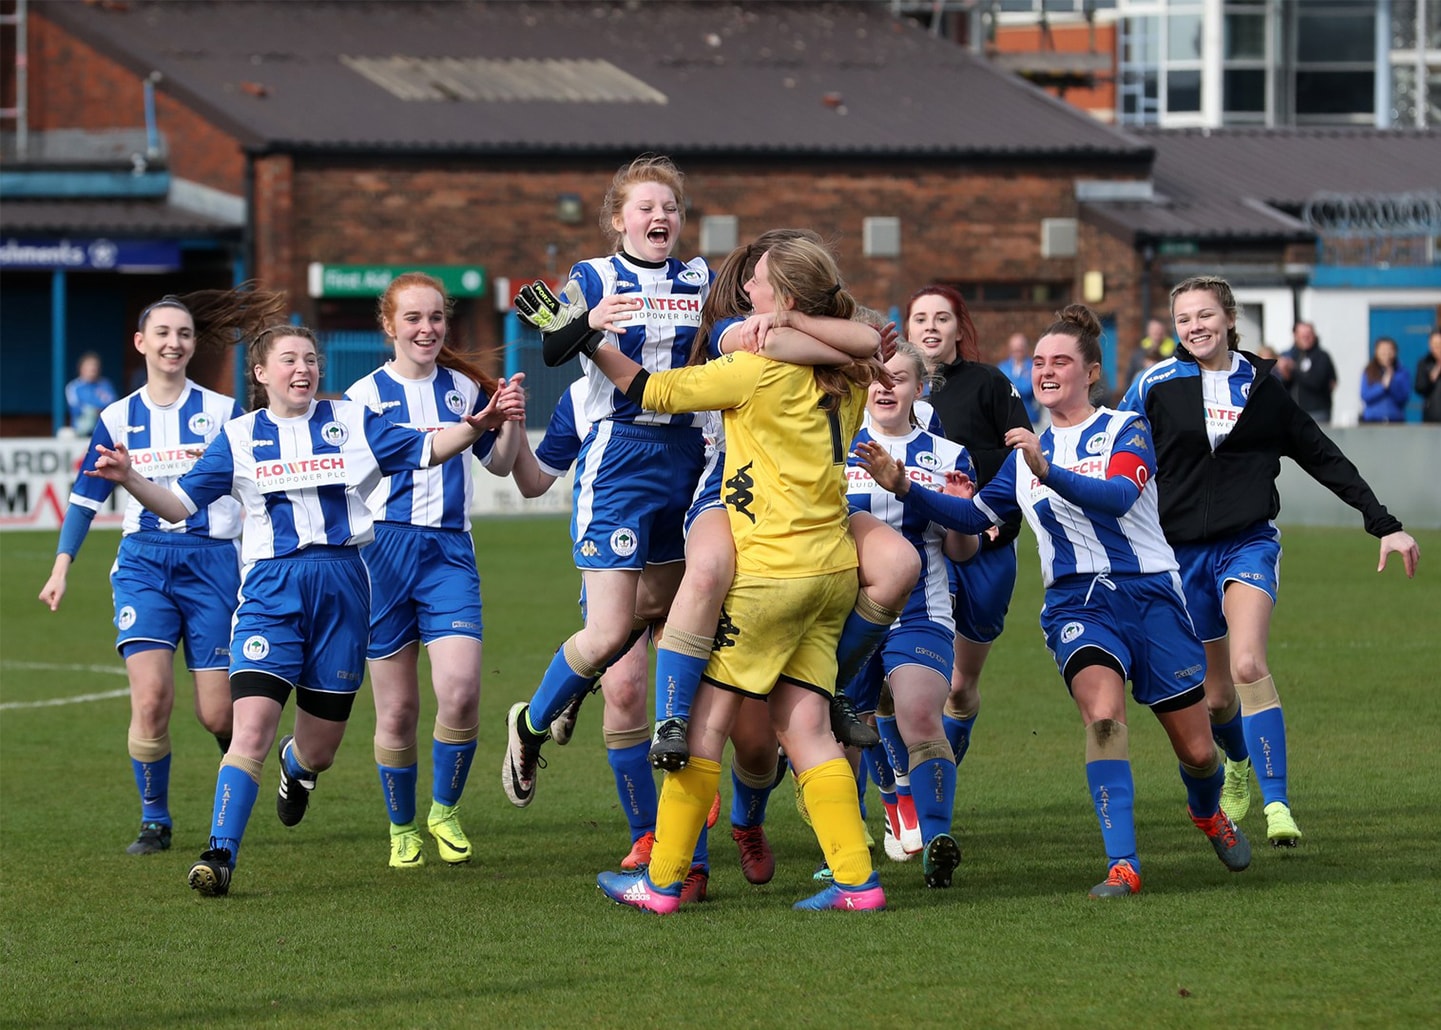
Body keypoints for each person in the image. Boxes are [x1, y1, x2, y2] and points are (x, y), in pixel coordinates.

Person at [86, 325, 526, 896]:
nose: (304, 368)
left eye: (311, 359)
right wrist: (131, 478)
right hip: (271, 595)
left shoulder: (351, 422)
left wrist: (476, 424)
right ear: (261, 373)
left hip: (345, 590)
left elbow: (425, 449)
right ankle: (219, 854)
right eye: (289, 359)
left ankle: (299, 769)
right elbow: (178, 504)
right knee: (251, 732)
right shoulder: (239, 437)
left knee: (319, 749)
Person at [859, 303, 1254, 898]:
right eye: (1039, 361)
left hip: (1151, 600)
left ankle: (1206, 810)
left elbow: (1120, 497)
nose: (1045, 371)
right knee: (1102, 719)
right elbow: (971, 515)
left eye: (1060, 361)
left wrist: (1048, 472)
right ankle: (1124, 864)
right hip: (1077, 605)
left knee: (1198, 753)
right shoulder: (1024, 456)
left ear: (1090, 372)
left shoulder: (1126, 428)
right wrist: (906, 487)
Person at [592, 236, 889, 912]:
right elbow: (866, 337)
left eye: (755, 284)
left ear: (782, 298)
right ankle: (856, 881)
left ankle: (661, 881)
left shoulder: (756, 368)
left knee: (702, 729)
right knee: (808, 727)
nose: (744, 293)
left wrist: (585, 342)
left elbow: (650, 389)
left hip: (768, 576)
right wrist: (788, 325)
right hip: (832, 572)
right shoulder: (850, 371)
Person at [1124, 276, 1420, 848]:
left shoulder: (1262, 385)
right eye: (1184, 319)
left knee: (1249, 664)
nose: (1195, 328)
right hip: (1177, 556)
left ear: (1229, 318)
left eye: (1205, 315)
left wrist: (1383, 523)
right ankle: (1237, 766)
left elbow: (1320, 454)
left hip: (1248, 543)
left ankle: (1277, 803)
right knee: (1214, 697)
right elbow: (1114, 456)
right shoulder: (1154, 384)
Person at [39, 289, 283, 856]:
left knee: (216, 711)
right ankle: (156, 820)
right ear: (141, 342)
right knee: (150, 700)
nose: (174, 343)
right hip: (144, 564)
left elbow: (260, 483)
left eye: (185, 334)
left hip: (213, 566)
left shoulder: (225, 413)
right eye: (164, 333)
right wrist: (61, 566)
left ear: (194, 345)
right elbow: (84, 498)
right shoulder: (115, 416)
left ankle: (240, 754)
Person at [501, 154, 710, 811]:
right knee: (609, 635)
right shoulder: (593, 276)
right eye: (645, 208)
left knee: (680, 628)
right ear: (618, 220)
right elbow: (555, 349)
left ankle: (670, 827)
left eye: (669, 208)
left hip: (688, 456)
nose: (660, 217)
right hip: (620, 460)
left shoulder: (700, 277)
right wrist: (585, 320)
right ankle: (529, 724)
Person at [345, 272, 525, 869]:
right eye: (414, 319)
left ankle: (444, 809)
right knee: (396, 711)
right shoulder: (361, 398)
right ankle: (401, 826)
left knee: (462, 691)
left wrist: (510, 419)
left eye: (436, 318)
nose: (427, 329)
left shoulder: (463, 389)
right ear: (389, 326)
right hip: (384, 554)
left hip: (448, 551)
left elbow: (499, 467)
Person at [509, 378, 712, 901]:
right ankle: (646, 835)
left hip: (679, 566)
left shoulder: (702, 384)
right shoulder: (583, 395)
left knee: (685, 708)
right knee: (624, 693)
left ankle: (691, 863)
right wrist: (506, 431)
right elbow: (534, 481)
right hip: (617, 573)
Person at [845, 340, 978, 889]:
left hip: (922, 610)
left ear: (918, 389)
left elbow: (964, 551)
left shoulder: (948, 456)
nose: (884, 386)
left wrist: (957, 511)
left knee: (920, 716)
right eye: (874, 377)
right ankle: (845, 851)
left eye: (897, 378)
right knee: (842, 731)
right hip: (845, 613)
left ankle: (936, 838)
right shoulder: (835, 447)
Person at [906, 285, 1030, 790]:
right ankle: (907, 797)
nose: (931, 327)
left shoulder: (990, 384)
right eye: (920, 318)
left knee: (959, 686)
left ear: (961, 328)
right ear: (908, 328)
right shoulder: (888, 387)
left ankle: (940, 774)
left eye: (942, 318)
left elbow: (1023, 457)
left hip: (986, 549)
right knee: (899, 683)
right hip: (918, 551)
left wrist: (996, 515)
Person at [1279, 321, 1336, 423]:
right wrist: (1285, 373)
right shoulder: (1290, 355)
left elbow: (1317, 382)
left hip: (1317, 412)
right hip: (1293, 412)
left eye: (1308, 335)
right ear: (1295, 336)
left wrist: (1293, 370)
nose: (1306, 338)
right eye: (1302, 336)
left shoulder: (1321, 356)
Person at [1359, 336, 1411, 424]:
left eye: (1390, 350)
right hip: (1373, 420)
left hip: (1395, 420)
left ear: (1395, 352)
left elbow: (1403, 397)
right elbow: (1365, 396)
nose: (1386, 353)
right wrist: (1382, 387)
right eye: (1382, 350)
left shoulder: (1402, 372)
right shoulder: (1369, 371)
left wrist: (1392, 383)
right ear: (1376, 351)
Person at [65, 352, 118, 435]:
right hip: (81, 431)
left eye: (94, 367)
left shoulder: (105, 384)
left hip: (104, 430)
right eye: (89, 367)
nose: (92, 370)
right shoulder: (73, 387)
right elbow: (75, 408)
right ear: (81, 369)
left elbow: (113, 404)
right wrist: (93, 410)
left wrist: (99, 409)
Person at [997, 331, 1041, 427]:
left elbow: (1028, 389)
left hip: (1030, 418)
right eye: (1015, 348)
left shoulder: (1034, 367)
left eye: (1020, 348)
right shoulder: (1003, 367)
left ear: (1025, 348)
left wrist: (1012, 382)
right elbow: (1000, 391)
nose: (1017, 351)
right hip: (1007, 419)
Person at [1123, 317, 1177, 388]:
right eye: (1154, 330)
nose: (1157, 333)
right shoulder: (1139, 352)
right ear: (1148, 332)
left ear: (1164, 332)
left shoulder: (1173, 352)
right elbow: (1130, 375)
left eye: (1159, 330)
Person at [1415, 327, 1441, 423]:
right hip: (1432, 415)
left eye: (1439, 345)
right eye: (1434, 345)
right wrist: (1430, 379)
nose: (1437, 349)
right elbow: (1419, 387)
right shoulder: (1425, 363)